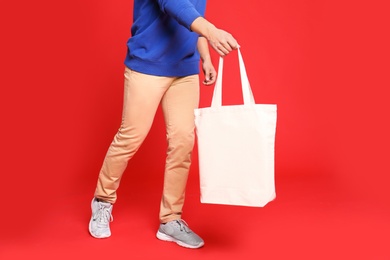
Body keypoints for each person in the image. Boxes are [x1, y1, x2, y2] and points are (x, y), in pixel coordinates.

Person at [89, 0, 238, 249]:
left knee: (183, 141)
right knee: (130, 137)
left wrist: (205, 57)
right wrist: (213, 32)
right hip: (147, 66)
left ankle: (170, 219)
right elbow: (174, 4)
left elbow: (193, 17)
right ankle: (102, 200)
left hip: (184, 70)